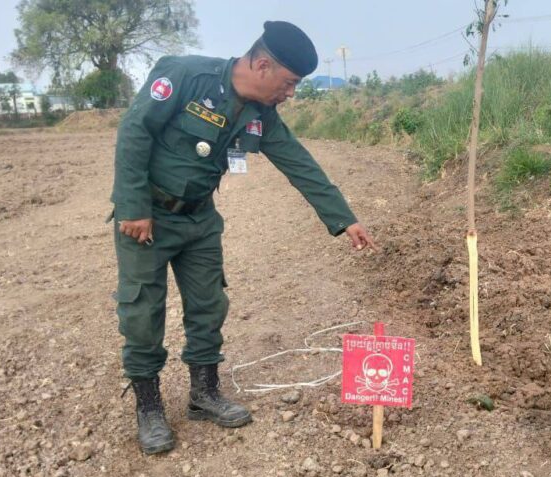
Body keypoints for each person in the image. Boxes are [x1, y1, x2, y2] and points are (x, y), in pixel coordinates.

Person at [110, 21, 376, 455]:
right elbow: (135, 130)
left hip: (199, 220)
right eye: (288, 82)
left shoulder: (260, 114)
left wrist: (345, 219)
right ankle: (149, 407)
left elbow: (298, 162)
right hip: (148, 219)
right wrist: (133, 206)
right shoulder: (185, 75)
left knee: (208, 305)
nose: (291, 93)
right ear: (262, 65)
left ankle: (204, 393)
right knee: (142, 311)